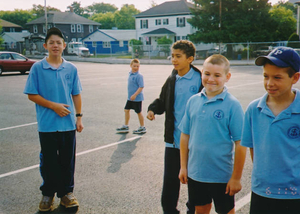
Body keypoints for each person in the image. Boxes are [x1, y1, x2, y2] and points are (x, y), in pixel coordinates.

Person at [23, 27, 83, 212]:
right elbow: (32, 95)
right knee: (48, 162)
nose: (55, 46)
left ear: (64, 45)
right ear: (45, 46)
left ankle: (66, 194)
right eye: (51, 43)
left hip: (67, 125)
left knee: (67, 161)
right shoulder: (38, 68)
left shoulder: (71, 68)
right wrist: (54, 106)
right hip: (47, 125)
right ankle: (47, 194)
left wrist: (79, 117)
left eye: (58, 42)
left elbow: (76, 94)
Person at [178, 54, 246, 214]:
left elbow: (240, 143)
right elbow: (185, 135)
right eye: (207, 74)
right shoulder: (193, 101)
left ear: (227, 77)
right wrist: (183, 166)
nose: (211, 79)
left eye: (217, 75)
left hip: (221, 175)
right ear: (201, 73)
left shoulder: (232, 105)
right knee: (201, 209)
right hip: (196, 174)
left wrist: (236, 178)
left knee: (226, 211)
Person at [241, 47, 300, 214]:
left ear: (295, 77)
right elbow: (253, 148)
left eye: (277, 77)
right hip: (262, 192)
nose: (269, 83)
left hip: (295, 195)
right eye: (266, 76)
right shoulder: (254, 109)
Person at [147, 40, 203, 214]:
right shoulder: (172, 78)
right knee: (170, 180)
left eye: (178, 56)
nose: (174, 60)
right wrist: (152, 109)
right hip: (173, 140)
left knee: (194, 180)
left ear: (190, 58)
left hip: (194, 140)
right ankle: (170, 211)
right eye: (172, 56)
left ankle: (192, 210)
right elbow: (163, 100)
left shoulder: (200, 79)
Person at [116, 58, 146, 134]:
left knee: (138, 112)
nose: (136, 68)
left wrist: (135, 95)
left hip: (137, 98)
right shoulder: (130, 74)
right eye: (134, 66)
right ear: (131, 66)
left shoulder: (139, 76)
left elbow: (141, 87)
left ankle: (142, 127)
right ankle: (126, 126)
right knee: (126, 110)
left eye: (137, 66)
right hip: (130, 98)